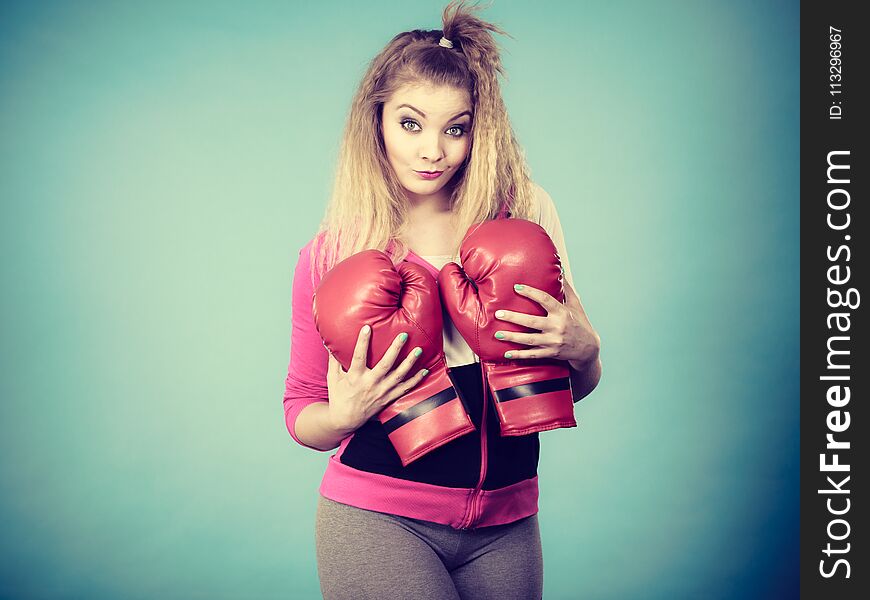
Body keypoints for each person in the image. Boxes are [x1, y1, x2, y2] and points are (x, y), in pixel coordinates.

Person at [282, 2, 602, 598]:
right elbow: (302, 410)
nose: (433, 150)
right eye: (411, 124)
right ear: (375, 121)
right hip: (380, 519)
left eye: (455, 128)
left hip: (508, 523)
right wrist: (345, 414)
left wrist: (587, 351)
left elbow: (573, 383)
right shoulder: (335, 253)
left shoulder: (524, 213)